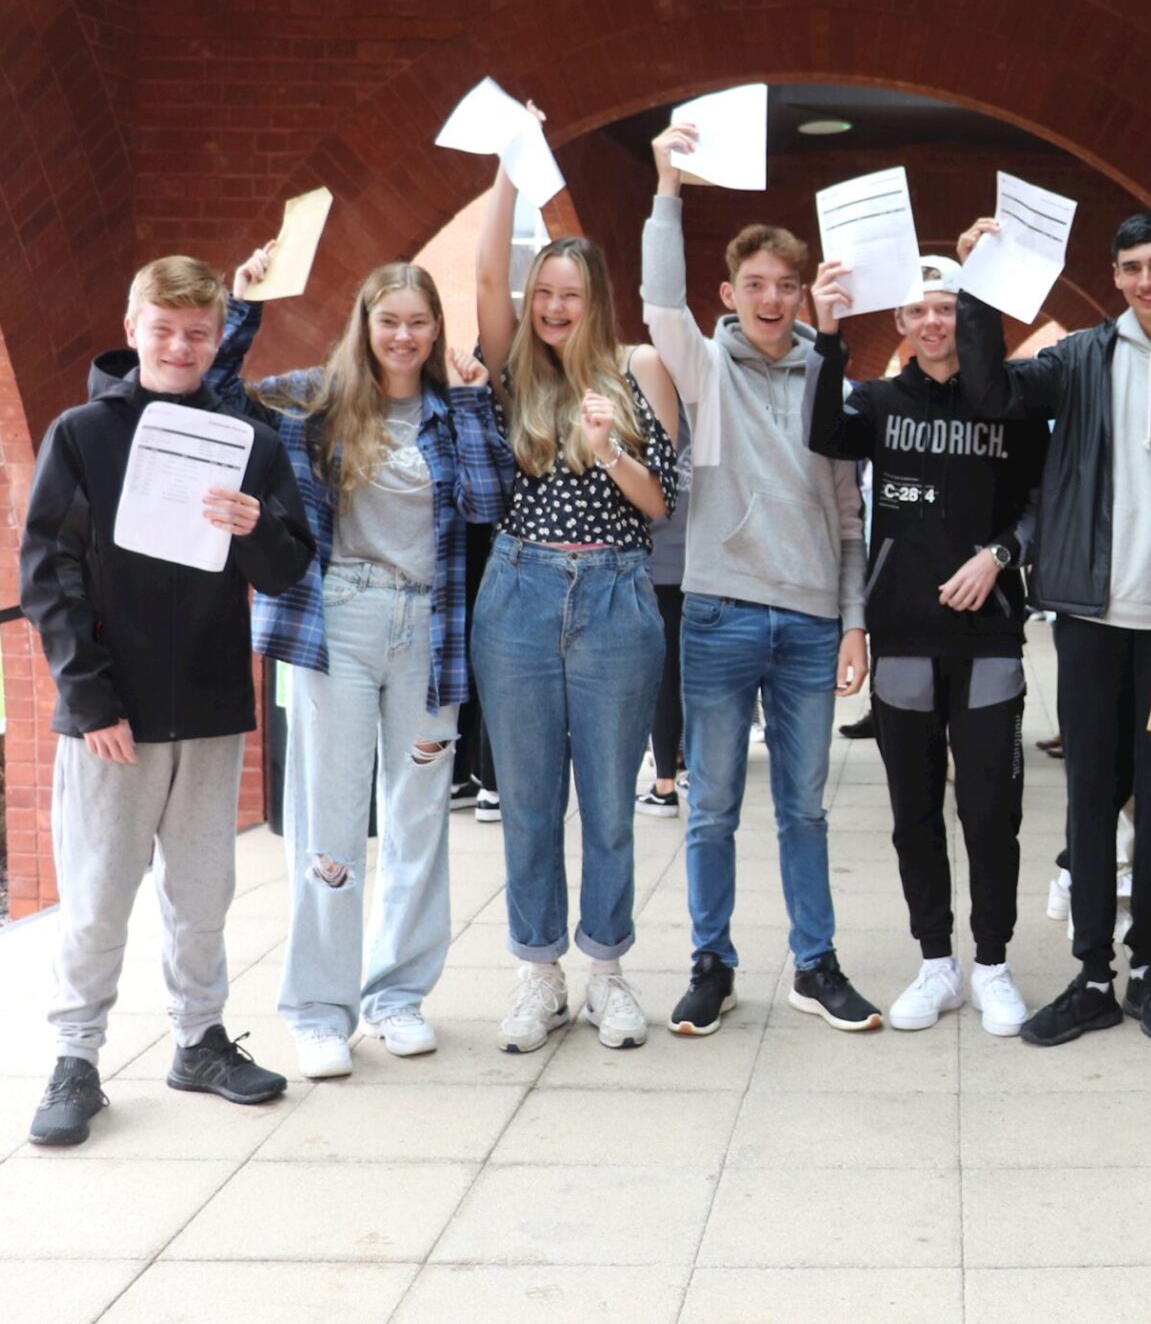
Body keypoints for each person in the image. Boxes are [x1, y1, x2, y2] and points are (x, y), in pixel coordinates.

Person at [22, 256, 316, 1146]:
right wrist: (87, 694)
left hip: (214, 701)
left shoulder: (251, 442)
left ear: (220, 333)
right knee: (99, 891)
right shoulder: (81, 434)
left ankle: (199, 1038)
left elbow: (291, 565)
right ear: (135, 324)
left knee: (203, 889)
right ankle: (76, 1058)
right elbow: (48, 570)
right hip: (113, 709)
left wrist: (255, 527)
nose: (182, 345)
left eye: (199, 331)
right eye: (165, 328)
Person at [955, 211, 1151, 1047]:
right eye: (1129, 267)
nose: (1145, 280)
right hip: (1089, 616)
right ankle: (1093, 972)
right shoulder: (1083, 357)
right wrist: (979, 287)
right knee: (1092, 798)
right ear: (1117, 275)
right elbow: (991, 391)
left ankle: (1150, 968)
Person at [210, 252, 514, 1079]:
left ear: (435, 328)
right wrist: (243, 306)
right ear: (366, 323)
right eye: (390, 320)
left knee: (419, 820)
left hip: (428, 627)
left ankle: (398, 997)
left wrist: (480, 398)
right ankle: (318, 1011)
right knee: (327, 820)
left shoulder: (454, 412)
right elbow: (222, 396)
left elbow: (488, 501)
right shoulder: (317, 397)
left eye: (419, 321)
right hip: (335, 619)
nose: (405, 335)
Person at [641, 123, 881, 1036]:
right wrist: (668, 181)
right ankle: (714, 962)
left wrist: (854, 619)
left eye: (787, 285)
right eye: (755, 285)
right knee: (709, 808)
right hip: (720, 615)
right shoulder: (706, 370)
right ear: (729, 294)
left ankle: (815, 964)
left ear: (805, 291)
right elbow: (659, 300)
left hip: (814, 623)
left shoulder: (834, 378)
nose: (772, 298)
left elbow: (849, 514)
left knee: (803, 809)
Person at [805, 251, 1049, 1036]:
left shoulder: (1007, 404)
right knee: (914, 810)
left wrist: (999, 555)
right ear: (902, 322)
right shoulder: (876, 401)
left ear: (963, 316)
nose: (935, 321)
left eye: (948, 307)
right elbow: (822, 430)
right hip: (905, 633)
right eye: (921, 309)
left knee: (989, 809)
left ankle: (993, 965)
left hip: (990, 638)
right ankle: (936, 963)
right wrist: (831, 330)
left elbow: (1043, 501)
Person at [472, 151, 681, 1055]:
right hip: (518, 593)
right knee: (526, 797)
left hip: (615, 594)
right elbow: (482, 270)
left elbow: (665, 501)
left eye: (570, 293)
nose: (554, 307)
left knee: (607, 797)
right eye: (543, 292)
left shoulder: (638, 366)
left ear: (598, 297)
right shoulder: (516, 371)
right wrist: (508, 164)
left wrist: (610, 452)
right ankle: (539, 977)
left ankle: (606, 974)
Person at [638, 414, 694, 818]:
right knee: (696, 675)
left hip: (659, 567)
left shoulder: (645, 419)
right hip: (706, 568)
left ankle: (664, 785)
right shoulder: (710, 416)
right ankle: (692, 767)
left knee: (665, 677)